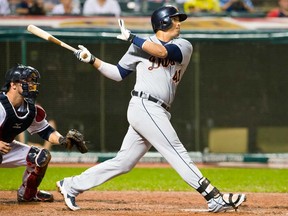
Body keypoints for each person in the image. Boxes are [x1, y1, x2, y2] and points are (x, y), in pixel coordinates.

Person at [56, 5, 246, 212]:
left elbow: (162, 51)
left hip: (160, 109)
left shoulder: (183, 45)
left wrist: (132, 37)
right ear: (163, 22)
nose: (179, 23)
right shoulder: (138, 46)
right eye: (175, 19)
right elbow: (119, 74)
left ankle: (71, 185)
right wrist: (92, 60)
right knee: (174, 149)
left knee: (123, 163)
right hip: (144, 105)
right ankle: (213, 197)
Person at [0, 64, 87, 202]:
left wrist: (63, 140)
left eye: (33, 81)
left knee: (41, 156)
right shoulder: (1, 105)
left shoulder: (30, 109)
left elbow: (46, 131)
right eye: (27, 81)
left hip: (6, 149)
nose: (32, 84)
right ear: (13, 84)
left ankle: (27, 194)